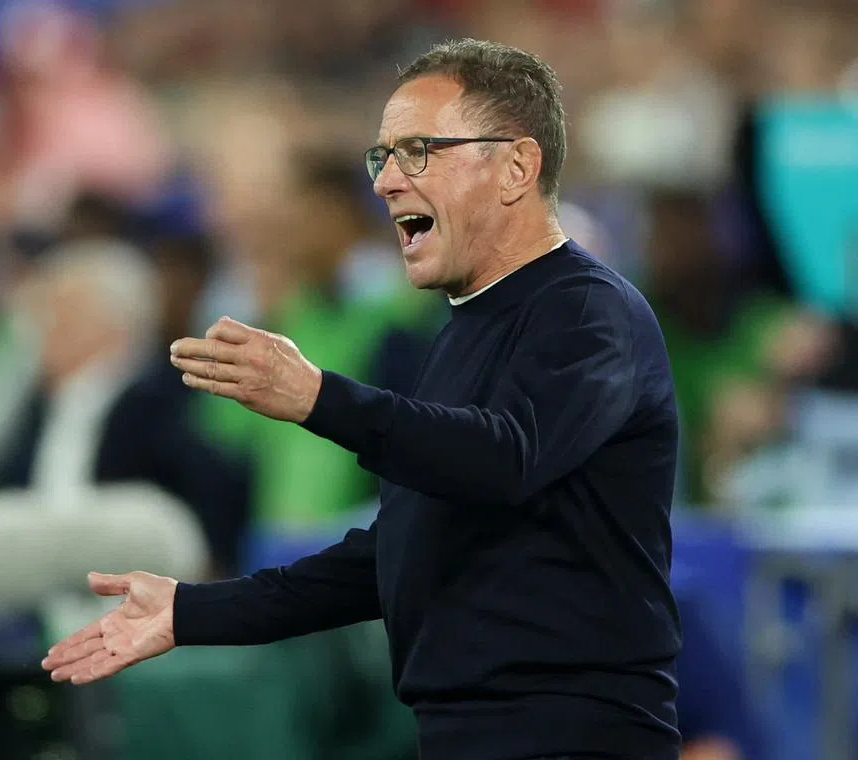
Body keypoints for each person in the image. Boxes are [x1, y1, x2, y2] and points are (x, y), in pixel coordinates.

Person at [43, 38, 683, 760]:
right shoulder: (462, 333)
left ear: (516, 167)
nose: (385, 183)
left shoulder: (590, 312)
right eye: (382, 157)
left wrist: (318, 397)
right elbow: (397, 549)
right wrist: (193, 610)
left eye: (419, 151)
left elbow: (505, 457)